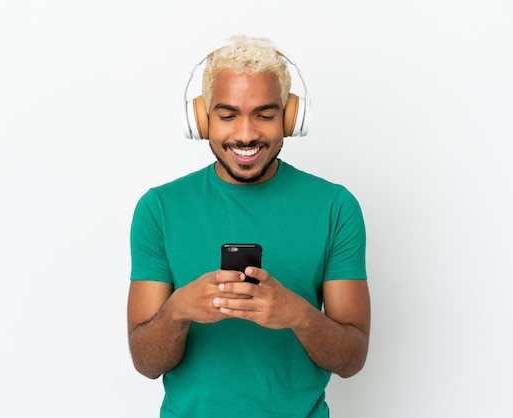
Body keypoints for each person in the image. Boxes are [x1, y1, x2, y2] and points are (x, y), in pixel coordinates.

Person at [127, 34, 371, 418]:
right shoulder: (159, 208)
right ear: (202, 118)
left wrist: (297, 314)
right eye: (227, 116)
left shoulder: (335, 207)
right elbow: (145, 362)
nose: (245, 134)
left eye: (265, 114)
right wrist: (178, 310)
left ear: (290, 118)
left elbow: (352, 358)